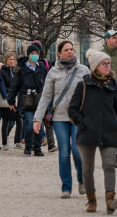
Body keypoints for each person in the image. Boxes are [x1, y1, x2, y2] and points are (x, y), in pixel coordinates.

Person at [68, 49, 117, 214]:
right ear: (95, 66)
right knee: (87, 169)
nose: (108, 66)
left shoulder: (113, 86)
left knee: (109, 166)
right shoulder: (83, 85)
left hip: (109, 132)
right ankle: (91, 200)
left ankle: (110, 199)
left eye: (108, 64)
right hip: (87, 133)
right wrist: (82, 123)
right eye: (104, 64)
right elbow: (72, 109)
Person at [33, 40, 86, 196]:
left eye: (72, 49)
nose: (70, 51)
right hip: (59, 117)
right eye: (66, 50)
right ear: (59, 54)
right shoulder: (53, 72)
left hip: (78, 117)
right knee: (64, 152)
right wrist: (37, 119)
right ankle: (66, 187)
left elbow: (91, 95)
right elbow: (46, 96)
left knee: (77, 151)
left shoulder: (84, 70)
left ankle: (82, 179)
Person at [15, 43, 48, 156]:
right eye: (32, 53)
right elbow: (15, 84)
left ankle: (37, 147)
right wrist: (10, 100)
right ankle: (28, 146)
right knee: (29, 123)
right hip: (27, 99)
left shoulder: (42, 68)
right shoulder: (22, 68)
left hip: (39, 99)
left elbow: (47, 84)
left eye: (36, 53)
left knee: (39, 124)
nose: (34, 55)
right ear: (28, 55)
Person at [0, 53, 18, 150]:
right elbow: (1, 84)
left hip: (15, 97)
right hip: (6, 97)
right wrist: (7, 94)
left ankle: (7, 134)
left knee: (14, 120)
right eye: (10, 59)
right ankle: (4, 142)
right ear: (6, 60)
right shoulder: (2, 71)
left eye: (13, 59)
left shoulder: (16, 71)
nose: (12, 61)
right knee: (5, 120)